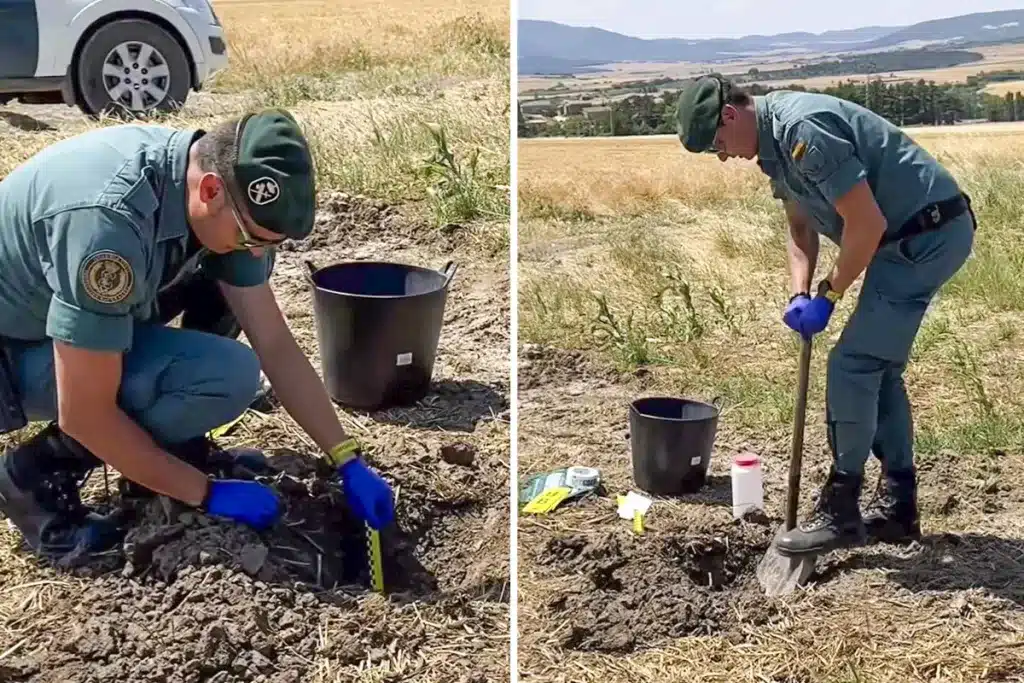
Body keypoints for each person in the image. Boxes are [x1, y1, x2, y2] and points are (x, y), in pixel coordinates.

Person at [0, 108, 395, 565]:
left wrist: (345, 457)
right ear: (210, 190)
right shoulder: (107, 229)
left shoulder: (207, 184)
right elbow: (85, 413)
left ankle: (166, 452)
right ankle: (33, 476)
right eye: (253, 238)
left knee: (225, 286)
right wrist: (204, 493)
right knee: (224, 374)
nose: (259, 253)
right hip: (12, 353)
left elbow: (275, 343)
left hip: (56, 320)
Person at [674, 75, 976, 556]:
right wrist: (799, 294)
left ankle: (841, 508)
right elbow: (801, 228)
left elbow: (867, 223)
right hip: (898, 241)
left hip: (924, 237)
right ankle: (899, 506)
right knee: (878, 369)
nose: (725, 156)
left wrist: (830, 296)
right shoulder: (773, 150)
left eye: (717, 146)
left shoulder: (802, 130)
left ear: (729, 115)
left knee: (852, 365)